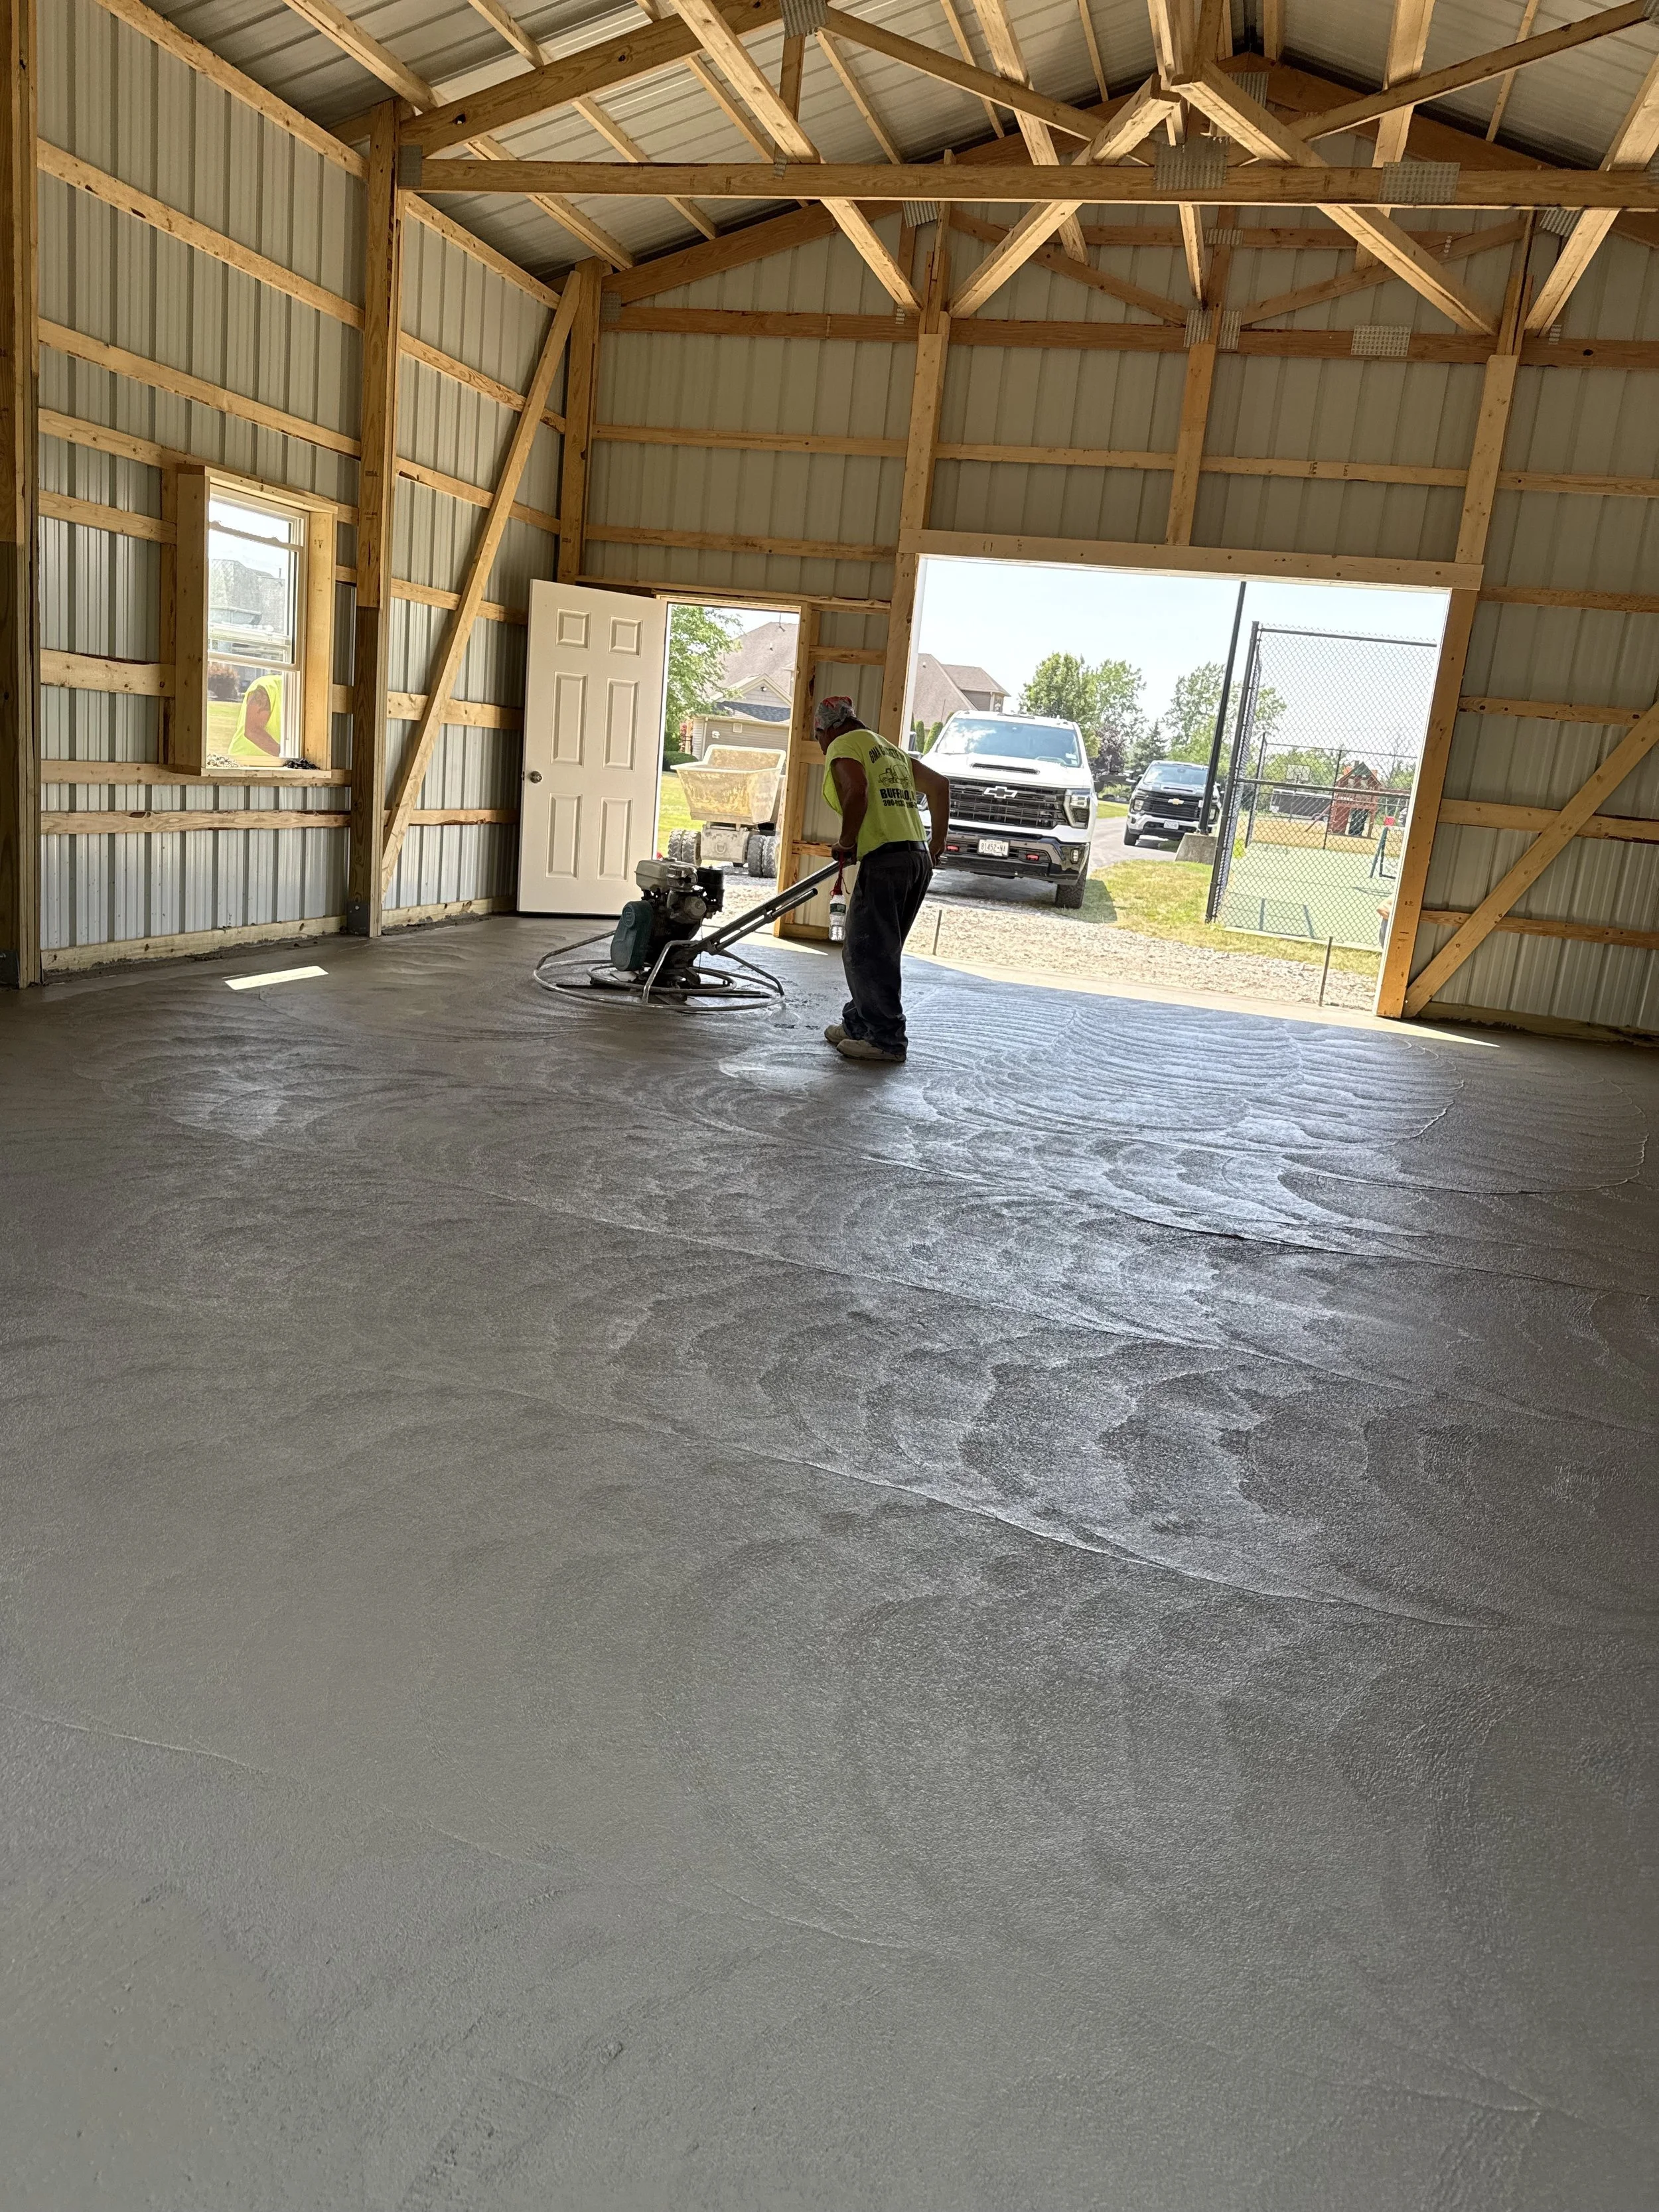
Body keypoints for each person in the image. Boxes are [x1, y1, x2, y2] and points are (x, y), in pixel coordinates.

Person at [815, 696, 950, 1065]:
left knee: (866, 952)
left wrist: (846, 842)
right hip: (916, 858)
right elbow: (940, 786)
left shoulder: (843, 745)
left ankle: (886, 1039)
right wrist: (937, 842)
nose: (822, 746)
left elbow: (856, 791)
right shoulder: (888, 749)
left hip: (887, 861)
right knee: (880, 949)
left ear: (825, 730)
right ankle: (859, 1024)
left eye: (818, 738)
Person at [228, 672, 285, 763]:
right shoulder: (267, 686)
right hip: (245, 763)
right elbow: (252, 730)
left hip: (278, 764)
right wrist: (291, 759)